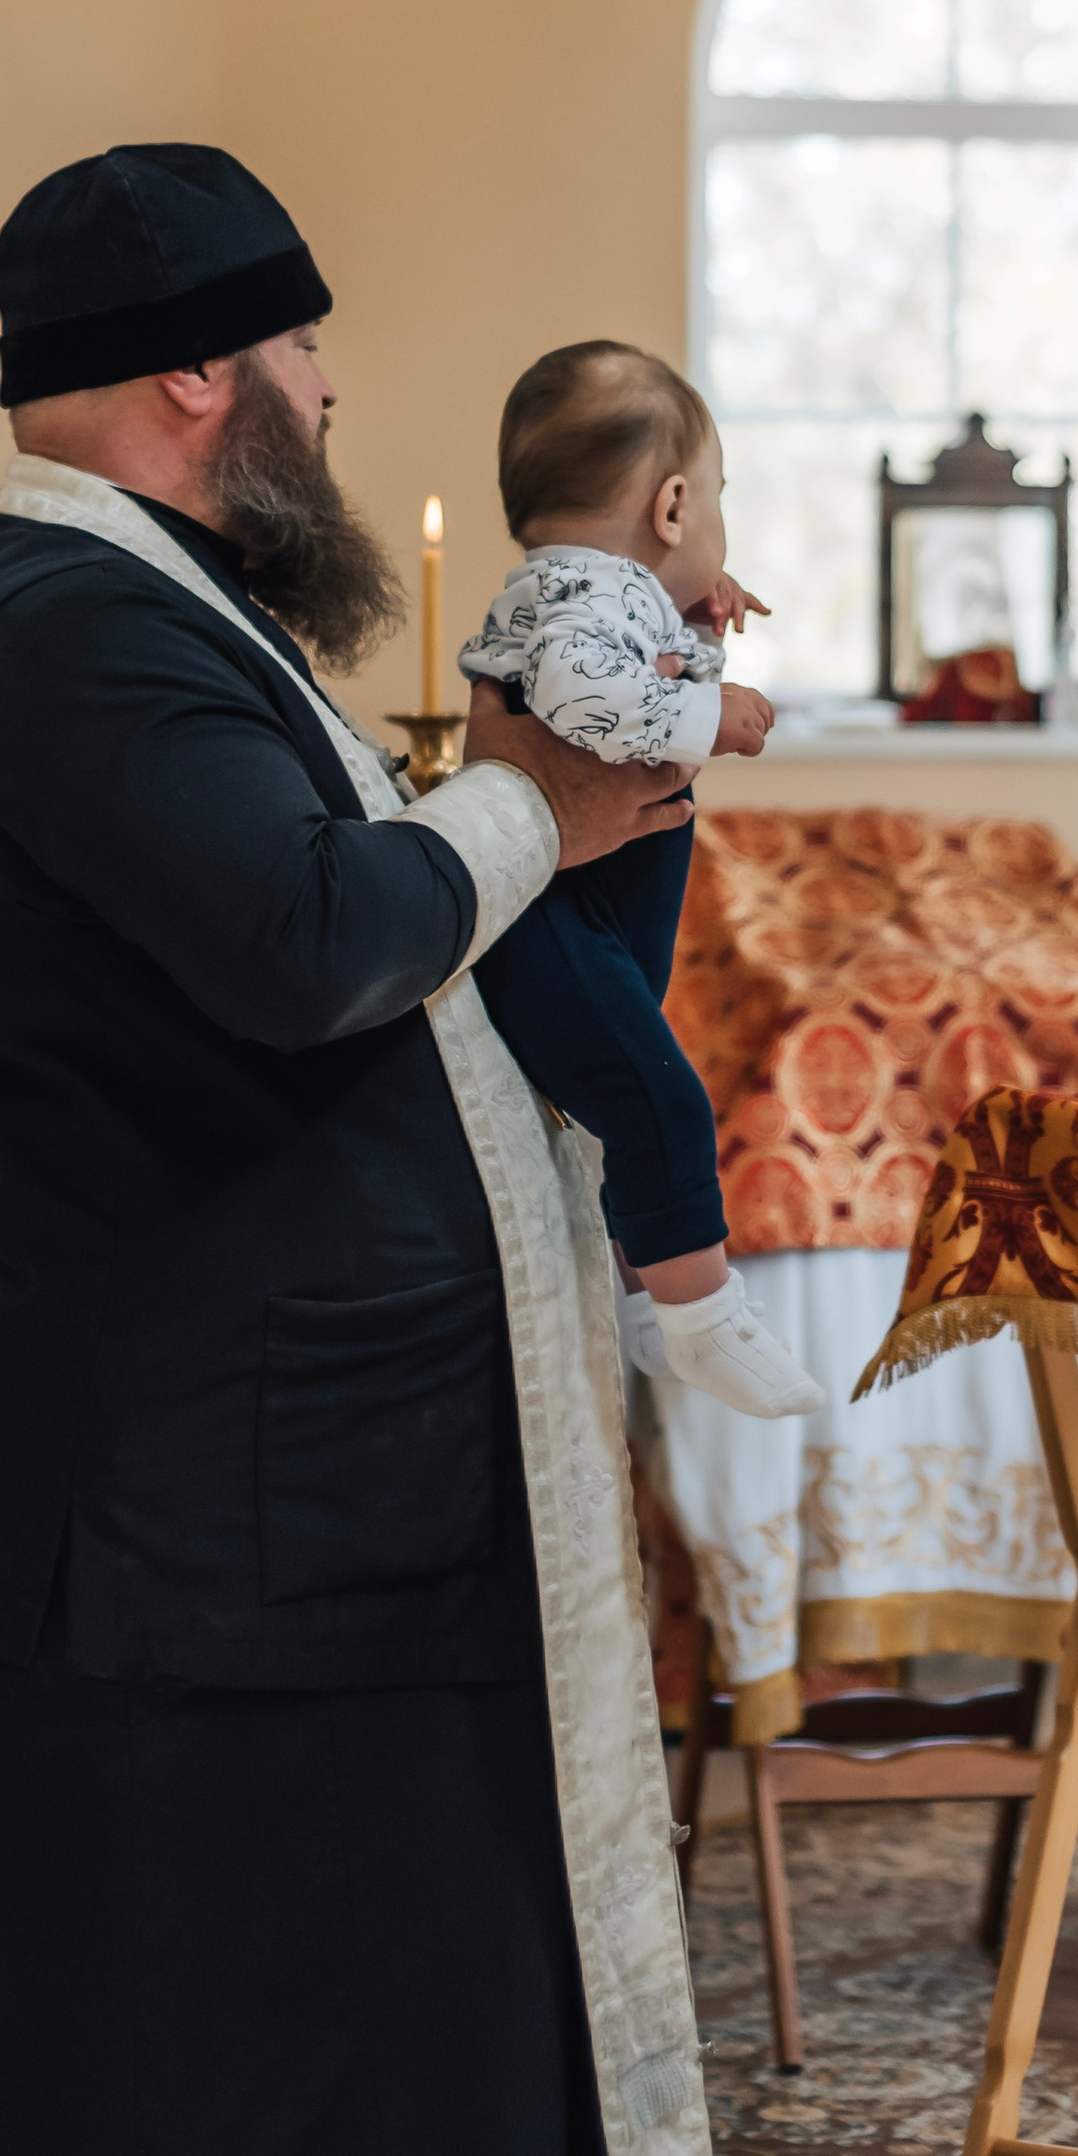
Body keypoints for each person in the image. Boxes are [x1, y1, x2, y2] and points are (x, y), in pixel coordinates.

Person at [0, 144, 1009, 2156]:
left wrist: (529, 801)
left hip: (323, 1535)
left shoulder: (175, 616)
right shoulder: (71, 637)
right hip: (176, 1563)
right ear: (203, 368)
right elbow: (318, 940)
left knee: (502, 2096)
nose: (336, 396)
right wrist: (534, 793)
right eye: (305, 353)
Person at [462, 341, 823, 1423]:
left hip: (588, 909)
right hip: (551, 913)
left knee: (623, 1103)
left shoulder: (587, 591)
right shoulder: (582, 601)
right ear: (672, 506)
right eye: (718, 499)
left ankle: (643, 1305)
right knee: (658, 1095)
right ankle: (705, 1316)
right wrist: (723, 713)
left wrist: (698, 631)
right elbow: (587, 701)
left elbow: (630, 681)